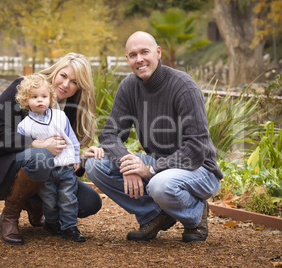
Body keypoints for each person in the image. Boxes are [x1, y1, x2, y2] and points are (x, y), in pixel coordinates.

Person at [86, 31, 223, 243]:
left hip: (199, 168)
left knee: (160, 184)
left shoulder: (183, 86)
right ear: (128, 60)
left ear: (158, 53)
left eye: (144, 52)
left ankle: (195, 214)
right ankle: (155, 215)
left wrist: (148, 169)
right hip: (161, 164)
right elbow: (110, 135)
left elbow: (196, 148)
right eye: (133, 55)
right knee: (96, 165)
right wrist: (127, 164)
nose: (139, 59)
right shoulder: (129, 87)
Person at [0, 53, 104, 245]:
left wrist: (81, 157)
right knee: (41, 156)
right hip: (1, 166)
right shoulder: (24, 89)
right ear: (55, 71)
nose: (66, 84)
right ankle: (9, 217)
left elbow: (64, 154)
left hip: (48, 173)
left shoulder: (70, 108)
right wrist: (34, 144)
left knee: (90, 202)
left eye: (74, 82)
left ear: (79, 87)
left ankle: (34, 202)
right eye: (64, 75)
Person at [15, 73, 85, 242]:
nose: (40, 100)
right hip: (45, 171)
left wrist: (76, 157)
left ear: (50, 98)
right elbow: (21, 147)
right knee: (49, 200)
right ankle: (52, 223)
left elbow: (72, 138)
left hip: (65, 167)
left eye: (44, 96)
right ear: (25, 101)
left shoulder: (60, 117)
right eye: (34, 97)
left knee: (68, 197)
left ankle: (70, 227)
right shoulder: (24, 125)